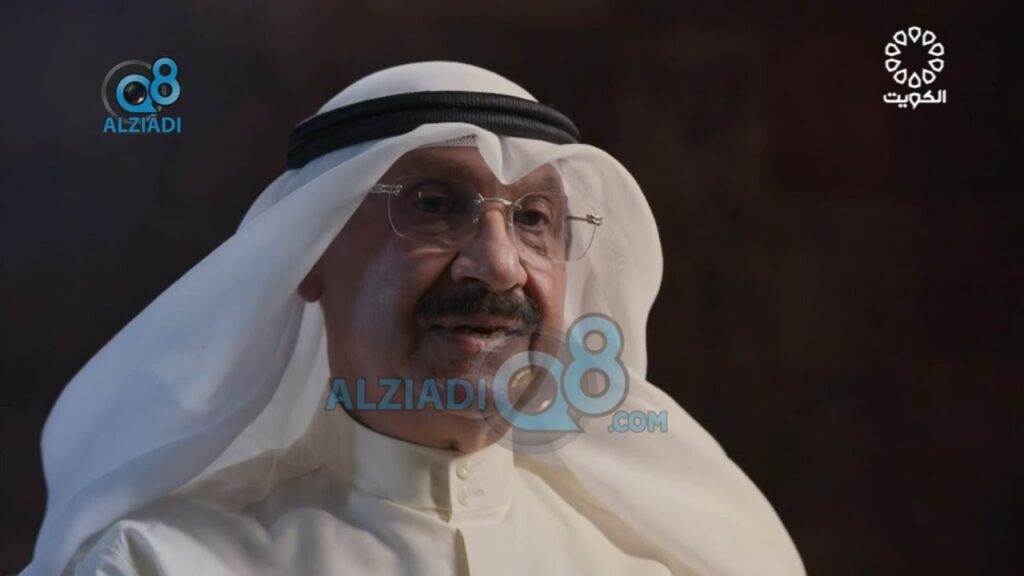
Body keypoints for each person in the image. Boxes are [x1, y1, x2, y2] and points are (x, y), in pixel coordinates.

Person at [24, 61, 805, 575]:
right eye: (434, 205)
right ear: (309, 257)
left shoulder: (651, 560)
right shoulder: (161, 562)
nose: (499, 265)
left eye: (533, 219)